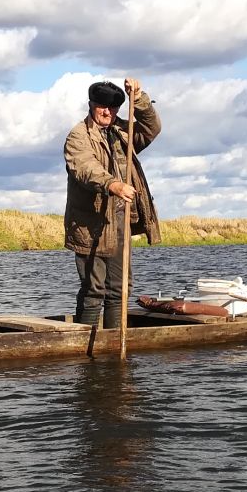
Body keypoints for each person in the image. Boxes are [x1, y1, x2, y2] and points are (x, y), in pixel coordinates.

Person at [64, 78, 162, 328]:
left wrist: (138, 98)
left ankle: (110, 347)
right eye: (102, 106)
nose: (108, 112)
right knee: (94, 289)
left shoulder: (121, 130)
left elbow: (151, 128)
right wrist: (113, 185)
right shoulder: (78, 136)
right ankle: (85, 345)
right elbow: (85, 168)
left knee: (119, 289)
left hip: (120, 220)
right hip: (90, 225)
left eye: (114, 107)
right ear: (91, 105)